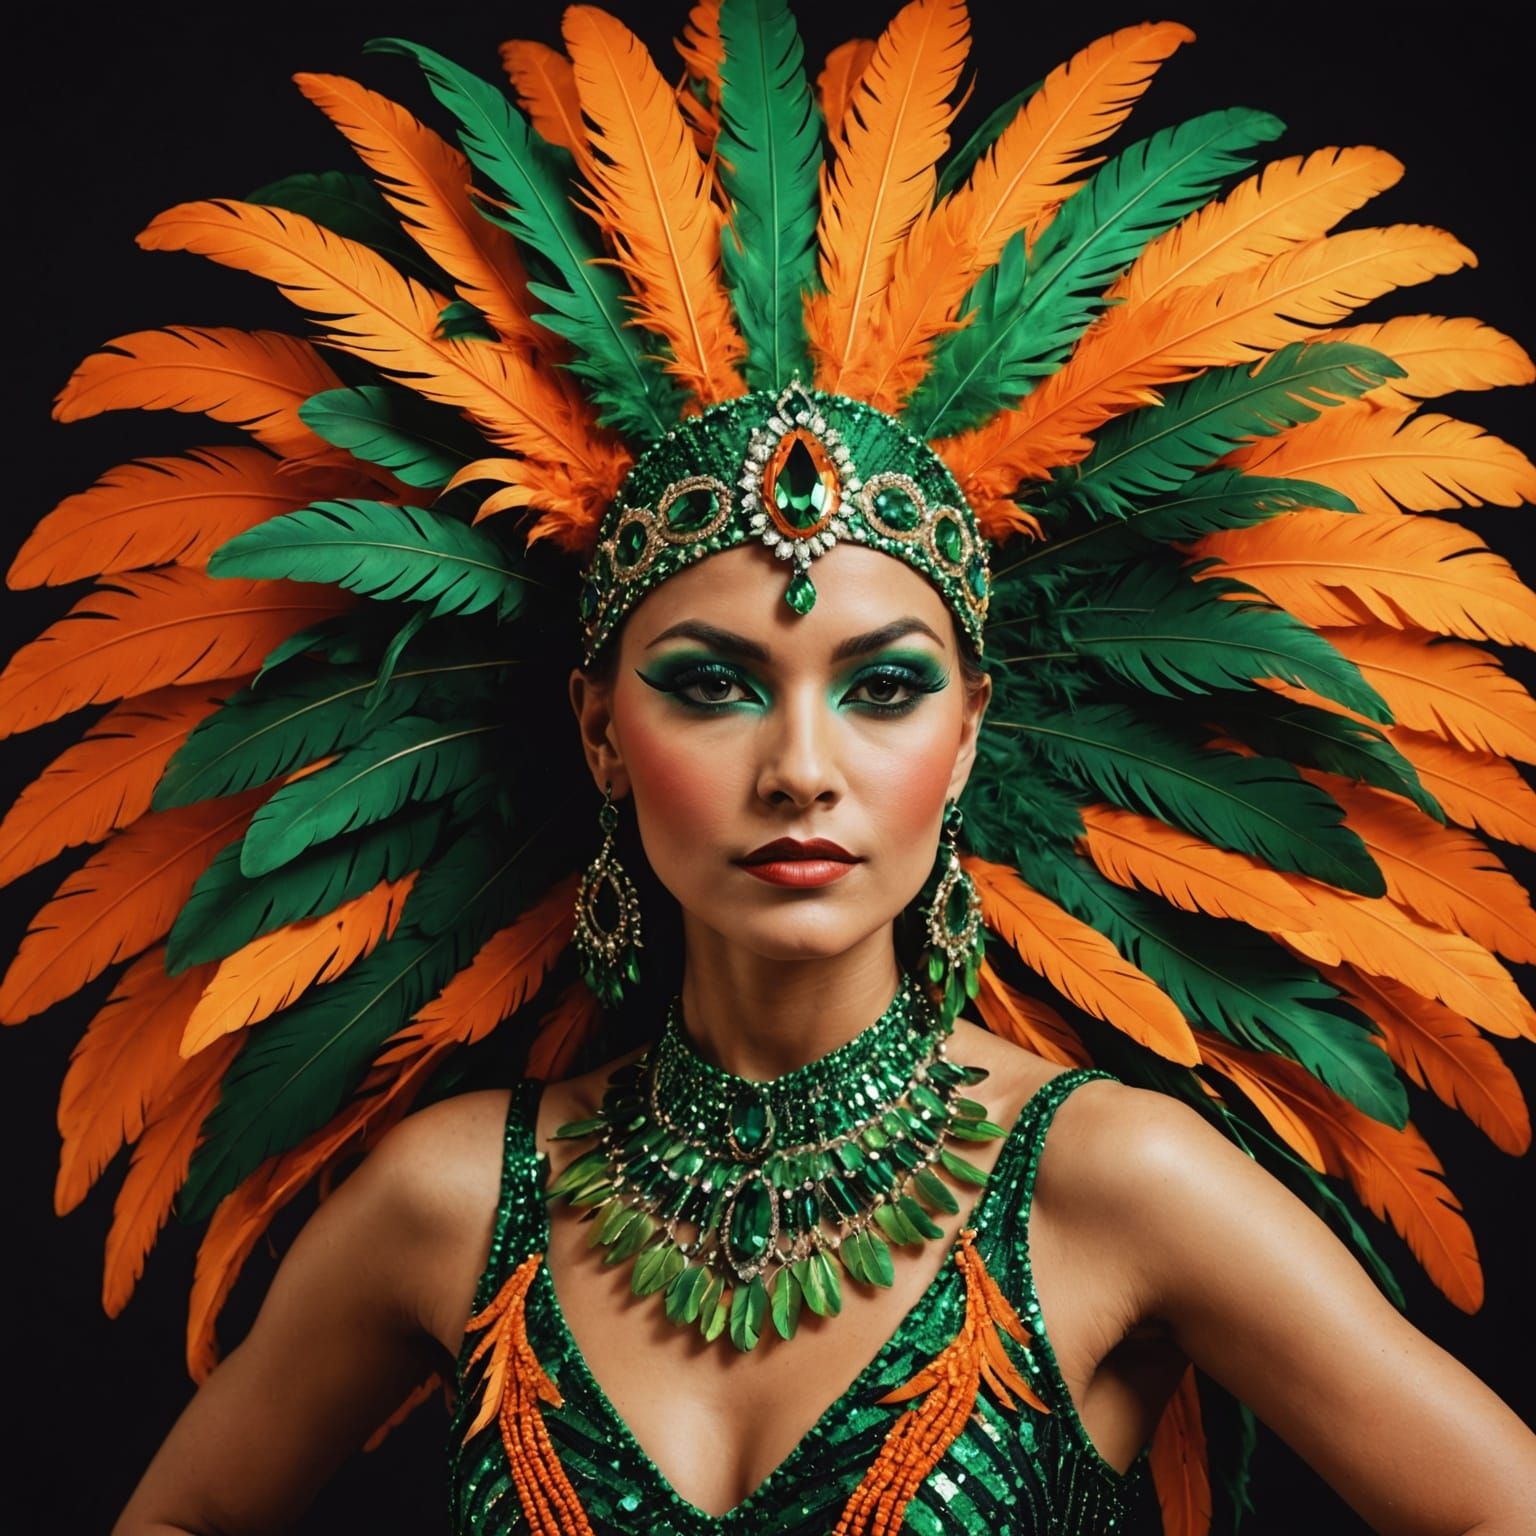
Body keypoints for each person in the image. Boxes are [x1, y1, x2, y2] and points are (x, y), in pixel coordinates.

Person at [3, 1, 1534, 1532]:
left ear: (967, 735)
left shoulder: (1110, 1181)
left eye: (883, 689)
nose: (802, 769)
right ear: (602, 733)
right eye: (712, 686)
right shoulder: (451, 1201)